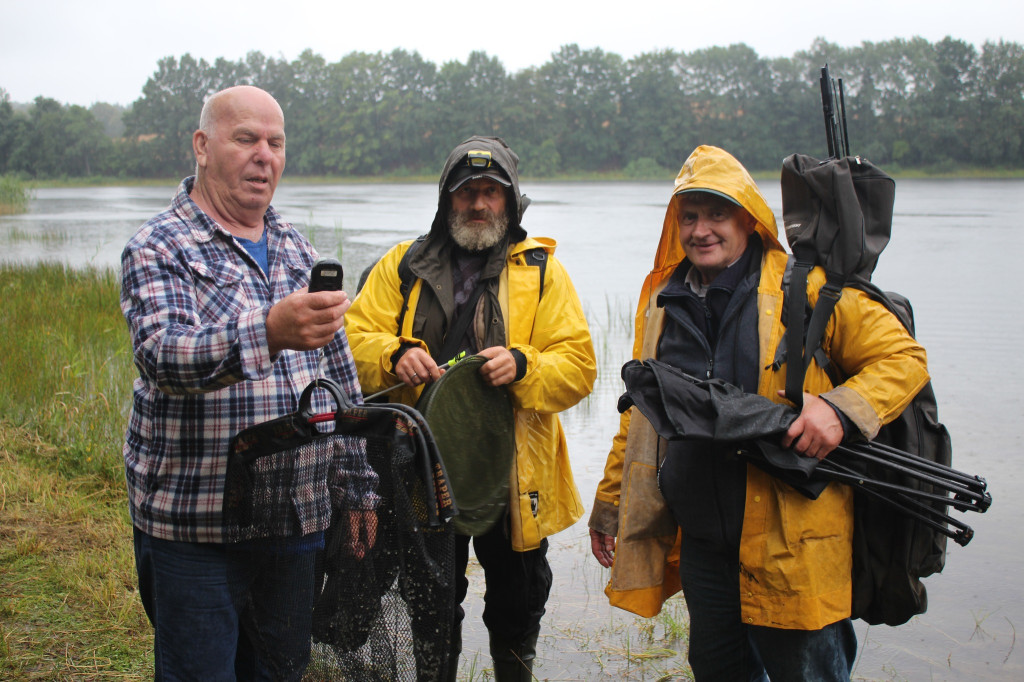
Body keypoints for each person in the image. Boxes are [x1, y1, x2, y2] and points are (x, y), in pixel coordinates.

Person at [588, 145, 930, 681]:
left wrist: (840, 411)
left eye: (717, 214)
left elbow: (903, 358)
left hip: (790, 548)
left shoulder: (807, 287)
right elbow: (641, 418)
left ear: (748, 218)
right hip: (704, 548)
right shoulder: (662, 302)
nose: (702, 230)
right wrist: (610, 504)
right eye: (690, 216)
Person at [120, 85, 376, 681]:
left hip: (296, 517)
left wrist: (360, 485)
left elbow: (338, 374)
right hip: (195, 523)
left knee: (280, 672)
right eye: (246, 139)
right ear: (202, 147)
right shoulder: (158, 247)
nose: (265, 155)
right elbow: (162, 355)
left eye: (276, 142)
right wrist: (267, 331)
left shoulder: (296, 247)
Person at [345, 135, 597, 680]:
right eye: (466, 193)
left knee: (518, 604)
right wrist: (394, 354)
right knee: (432, 605)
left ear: (510, 201)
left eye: (491, 192)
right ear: (446, 200)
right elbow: (352, 341)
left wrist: (525, 365)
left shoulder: (543, 273)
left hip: (512, 477)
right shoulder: (401, 266)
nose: (478, 204)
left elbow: (579, 367)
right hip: (421, 474)